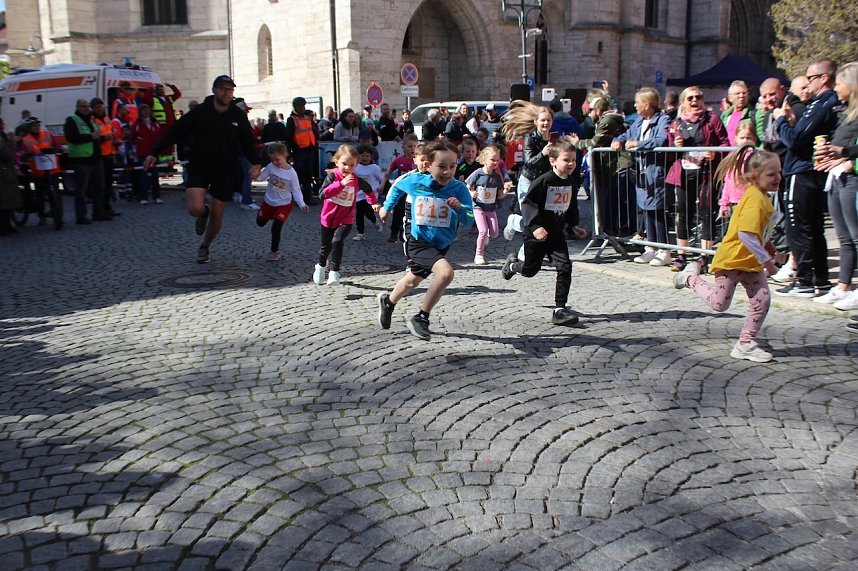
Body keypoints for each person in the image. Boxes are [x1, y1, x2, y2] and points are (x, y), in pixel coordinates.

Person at [673, 145, 781, 363]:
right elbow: (746, 235)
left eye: (779, 172)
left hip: (750, 263)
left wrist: (771, 248)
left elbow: (761, 232)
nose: (777, 177)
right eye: (771, 174)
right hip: (732, 260)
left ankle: (745, 343)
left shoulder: (765, 197)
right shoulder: (755, 199)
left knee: (762, 299)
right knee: (719, 305)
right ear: (754, 176)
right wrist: (767, 261)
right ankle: (689, 278)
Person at [145, 75, 262, 263]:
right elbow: (175, 131)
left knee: (218, 215)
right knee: (194, 208)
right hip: (200, 164)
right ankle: (202, 213)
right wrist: (154, 152)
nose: (227, 93)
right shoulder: (200, 112)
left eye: (230, 90)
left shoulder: (237, 115)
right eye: (223, 89)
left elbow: (247, 143)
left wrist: (257, 163)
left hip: (225, 169)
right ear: (215, 90)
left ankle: (205, 246)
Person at [374, 140, 474, 341]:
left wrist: (460, 209)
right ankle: (421, 317)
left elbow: (470, 220)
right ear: (428, 165)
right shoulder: (415, 181)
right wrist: (386, 208)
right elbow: (396, 186)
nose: (447, 172)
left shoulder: (459, 189)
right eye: (441, 167)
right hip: (418, 241)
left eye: (452, 167)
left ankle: (389, 302)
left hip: (441, 244)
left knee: (412, 280)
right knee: (446, 274)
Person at [773, 59, 840, 297]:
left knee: (799, 229)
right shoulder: (821, 103)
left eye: (810, 78)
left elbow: (795, 139)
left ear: (824, 78)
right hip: (808, 170)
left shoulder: (823, 103)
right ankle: (819, 280)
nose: (807, 83)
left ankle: (806, 281)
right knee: (811, 227)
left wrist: (781, 120)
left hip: (802, 172)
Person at [501, 140, 587, 326]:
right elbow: (528, 203)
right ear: (553, 161)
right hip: (536, 233)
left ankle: (559, 310)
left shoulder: (572, 181)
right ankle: (513, 265)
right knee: (530, 270)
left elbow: (571, 204)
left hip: (556, 234)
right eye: (566, 160)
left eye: (574, 159)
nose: (571, 163)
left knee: (564, 266)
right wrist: (536, 226)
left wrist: (574, 225)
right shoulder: (544, 181)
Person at [665, 85, 730, 272]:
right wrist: (674, 145)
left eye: (698, 97)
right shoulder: (676, 123)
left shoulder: (712, 119)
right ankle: (682, 254)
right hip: (683, 173)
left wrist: (715, 154)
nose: (695, 101)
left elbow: (725, 142)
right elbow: (669, 153)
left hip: (706, 173)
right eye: (690, 98)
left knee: (706, 213)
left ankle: (705, 256)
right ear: (683, 102)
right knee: (683, 214)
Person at [812, 61, 858, 310]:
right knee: (843, 237)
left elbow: (851, 147)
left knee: (855, 235)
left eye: (839, 82)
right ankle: (843, 286)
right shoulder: (846, 112)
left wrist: (845, 154)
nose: (835, 87)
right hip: (837, 177)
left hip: (852, 179)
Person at [611, 88, 670, 266]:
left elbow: (662, 140)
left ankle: (663, 248)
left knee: (657, 210)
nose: (635, 105)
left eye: (638, 102)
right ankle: (650, 247)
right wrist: (618, 141)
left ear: (647, 104)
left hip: (656, 171)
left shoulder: (662, 120)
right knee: (646, 209)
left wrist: (638, 144)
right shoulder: (638, 122)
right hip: (641, 172)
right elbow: (625, 135)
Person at [313, 145, 376, 285]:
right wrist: (340, 184)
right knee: (326, 247)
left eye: (352, 165)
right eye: (344, 164)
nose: (347, 168)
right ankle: (321, 266)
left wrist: (373, 203)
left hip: (346, 218)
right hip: (328, 217)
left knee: (337, 241)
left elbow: (369, 190)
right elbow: (322, 195)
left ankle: (334, 272)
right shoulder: (332, 176)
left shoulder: (357, 180)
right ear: (336, 162)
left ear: (356, 165)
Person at [501, 101, 560, 243]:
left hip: (544, 181)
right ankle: (514, 221)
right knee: (530, 218)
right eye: (543, 120)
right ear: (536, 121)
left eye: (548, 120)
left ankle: (527, 254)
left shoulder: (555, 138)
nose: (546, 123)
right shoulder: (530, 138)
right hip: (528, 179)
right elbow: (528, 162)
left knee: (540, 219)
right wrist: (543, 153)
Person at [255, 142, 309, 261]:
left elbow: (296, 190)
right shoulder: (270, 167)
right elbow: (260, 178)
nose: (275, 162)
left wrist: (302, 204)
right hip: (269, 203)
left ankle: (274, 252)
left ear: (285, 155)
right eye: (272, 160)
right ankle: (264, 215)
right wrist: (254, 175)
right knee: (260, 223)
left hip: (284, 205)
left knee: (276, 227)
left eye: (277, 159)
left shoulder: (292, 174)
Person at [64, 98, 110, 224]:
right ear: (77, 107)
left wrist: (103, 138)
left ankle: (98, 212)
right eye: (83, 106)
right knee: (82, 189)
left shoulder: (91, 120)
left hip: (95, 158)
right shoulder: (72, 120)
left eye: (87, 106)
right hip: (81, 160)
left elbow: (97, 137)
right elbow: (71, 138)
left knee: (100, 187)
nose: (86, 108)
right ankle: (81, 216)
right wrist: (91, 136)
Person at [467, 145, 512, 264]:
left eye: (497, 160)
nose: (495, 162)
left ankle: (484, 239)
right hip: (478, 207)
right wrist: (472, 193)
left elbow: (500, 195)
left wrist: (506, 191)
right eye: (493, 159)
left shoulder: (496, 177)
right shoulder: (478, 174)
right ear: (484, 160)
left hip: (491, 208)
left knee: (494, 233)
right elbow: (467, 186)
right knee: (482, 230)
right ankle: (479, 255)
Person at [20, 116, 62, 227]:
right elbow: (22, 153)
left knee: (55, 194)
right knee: (40, 195)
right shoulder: (26, 139)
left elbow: (56, 145)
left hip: (52, 169)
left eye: (38, 125)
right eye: (34, 125)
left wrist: (58, 149)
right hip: (38, 172)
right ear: (29, 128)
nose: (37, 127)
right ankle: (42, 216)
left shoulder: (47, 134)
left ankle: (58, 216)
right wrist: (25, 156)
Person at [381, 134, 419, 243]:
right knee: (398, 212)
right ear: (403, 147)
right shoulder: (399, 160)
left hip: (413, 192)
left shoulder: (419, 161)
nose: (412, 149)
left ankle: (405, 232)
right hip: (402, 191)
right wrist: (382, 184)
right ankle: (394, 233)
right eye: (410, 146)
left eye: (415, 146)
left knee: (411, 213)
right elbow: (388, 173)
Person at [717, 120, 759, 218]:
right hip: (734, 201)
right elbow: (727, 182)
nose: (745, 141)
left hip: (750, 201)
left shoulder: (757, 158)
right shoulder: (732, 158)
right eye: (742, 138)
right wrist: (724, 204)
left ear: (754, 139)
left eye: (748, 138)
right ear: (736, 138)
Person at [90, 98, 121, 217]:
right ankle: (101, 209)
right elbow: (93, 138)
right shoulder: (91, 120)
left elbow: (110, 133)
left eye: (100, 106)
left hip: (109, 154)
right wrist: (104, 139)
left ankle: (108, 207)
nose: (99, 108)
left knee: (108, 184)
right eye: (96, 107)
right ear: (93, 108)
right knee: (100, 185)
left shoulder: (107, 119)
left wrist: (115, 141)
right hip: (99, 156)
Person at [285, 96, 319, 205]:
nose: (303, 108)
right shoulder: (291, 119)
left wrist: (314, 145)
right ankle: (300, 197)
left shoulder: (306, 118)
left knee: (309, 174)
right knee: (301, 175)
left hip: (309, 150)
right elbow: (289, 137)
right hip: (300, 151)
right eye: (301, 106)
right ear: (296, 106)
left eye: (303, 105)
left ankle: (307, 196)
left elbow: (312, 132)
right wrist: (296, 149)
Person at [133, 104, 163, 205]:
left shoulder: (155, 123)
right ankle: (143, 197)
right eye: (143, 111)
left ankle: (157, 196)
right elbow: (133, 137)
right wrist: (139, 143)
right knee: (143, 176)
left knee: (155, 176)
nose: (145, 113)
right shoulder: (137, 124)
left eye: (147, 110)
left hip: (153, 153)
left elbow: (159, 136)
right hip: (142, 153)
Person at [353, 145, 384, 240]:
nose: (365, 158)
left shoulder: (375, 168)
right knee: (359, 213)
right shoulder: (356, 167)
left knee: (368, 212)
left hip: (371, 195)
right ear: (359, 157)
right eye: (363, 156)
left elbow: (382, 179)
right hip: (359, 195)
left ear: (371, 157)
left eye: (367, 156)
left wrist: (381, 187)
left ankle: (374, 221)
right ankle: (360, 233)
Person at [0, 119, 23, 236]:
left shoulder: (3, 137)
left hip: (6, 173)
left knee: (8, 200)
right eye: (2, 123)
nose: (4, 125)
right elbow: (7, 155)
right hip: (4, 174)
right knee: (6, 201)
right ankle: (4, 226)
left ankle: (7, 225)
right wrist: (13, 143)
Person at [721, 80, 755, 145]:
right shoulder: (725, 116)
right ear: (730, 98)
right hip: (728, 154)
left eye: (744, 93)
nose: (741, 96)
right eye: (738, 93)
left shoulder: (754, 114)